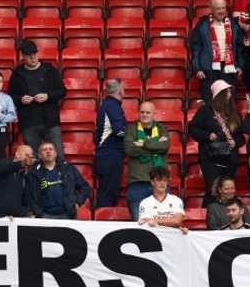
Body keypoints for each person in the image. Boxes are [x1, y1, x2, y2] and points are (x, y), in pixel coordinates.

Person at [9, 40, 67, 160]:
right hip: (28, 123)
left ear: (38, 53)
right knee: (33, 160)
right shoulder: (17, 73)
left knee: (58, 157)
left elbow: (62, 91)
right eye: (29, 55)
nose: (32, 57)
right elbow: (10, 96)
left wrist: (47, 96)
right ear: (22, 56)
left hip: (50, 121)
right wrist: (21, 99)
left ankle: (61, 179)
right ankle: (36, 179)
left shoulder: (49, 70)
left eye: (34, 54)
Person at [190, 80, 245, 200]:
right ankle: (209, 216)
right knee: (213, 191)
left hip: (230, 158)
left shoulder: (234, 113)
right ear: (220, 94)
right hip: (210, 158)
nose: (230, 95)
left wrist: (235, 142)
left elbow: (241, 137)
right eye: (227, 92)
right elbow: (192, 129)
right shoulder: (205, 110)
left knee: (227, 194)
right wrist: (208, 135)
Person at [190, 0, 245, 97]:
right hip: (208, 68)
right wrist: (198, 68)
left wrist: (240, 66)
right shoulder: (202, 24)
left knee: (229, 101)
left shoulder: (233, 24)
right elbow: (196, 48)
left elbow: (238, 47)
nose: (221, 11)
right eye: (218, 8)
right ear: (211, 9)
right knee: (210, 102)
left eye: (223, 8)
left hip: (228, 67)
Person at [124, 101, 171, 219]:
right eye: (142, 112)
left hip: (159, 182)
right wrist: (155, 145)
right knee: (138, 222)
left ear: (154, 114)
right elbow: (130, 149)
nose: (144, 115)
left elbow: (164, 146)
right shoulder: (131, 129)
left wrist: (143, 143)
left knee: (162, 222)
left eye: (148, 112)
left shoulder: (162, 129)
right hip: (137, 183)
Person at [28, 141, 90, 219]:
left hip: (67, 215)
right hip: (44, 216)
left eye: (51, 149)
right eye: (44, 150)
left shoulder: (68, 168)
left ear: (56, 153)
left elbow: (85, 187)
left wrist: (77, 202)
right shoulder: (33, 173)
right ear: (40, 155)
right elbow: (29, 195)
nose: (48, 151)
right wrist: (37, 212)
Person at [94, 79, 128, 209]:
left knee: (106, 193)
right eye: (123, 88)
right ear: (119, 90)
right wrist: (136, 134)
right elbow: (119, 131)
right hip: (111, 155)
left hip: (105, 155)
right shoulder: (113, 106)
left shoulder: (107, 104)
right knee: (108, 195)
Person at [0, 144, 36, 218]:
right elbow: (7, 167)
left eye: (30, 156)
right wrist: (23, 163)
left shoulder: (25, 175)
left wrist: (27, 213)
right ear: (17, 154)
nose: (28, 158)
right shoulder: (4, 162)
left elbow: (21, 202)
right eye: (26, 155)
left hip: (12, 220)